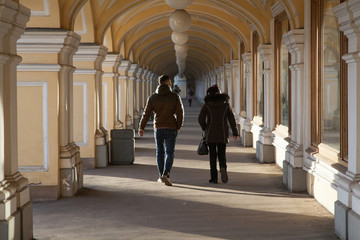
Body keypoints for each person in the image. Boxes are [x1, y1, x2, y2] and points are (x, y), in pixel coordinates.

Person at [138, 75, 184, 186]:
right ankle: (166, 173)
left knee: (160, 152)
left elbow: (146, 113)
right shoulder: (175, 96)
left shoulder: (153, 97)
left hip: (158, 127)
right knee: (170, 152)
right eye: (170, 82)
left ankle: (160, 175)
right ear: (167, 82)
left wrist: (141, 127)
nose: (171, 84)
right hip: (171, 127)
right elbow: (180, 113)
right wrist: (178, 126)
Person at [198, 84, 239, 184]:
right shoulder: (225, 105)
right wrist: (235, 131)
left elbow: (200, 119)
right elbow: (231, 119)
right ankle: (223, 167)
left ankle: (214, 178)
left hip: (210, 132)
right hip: (223, 132)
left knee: (212, 155)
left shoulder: (207, 105)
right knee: (222, 154)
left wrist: (205, 128)